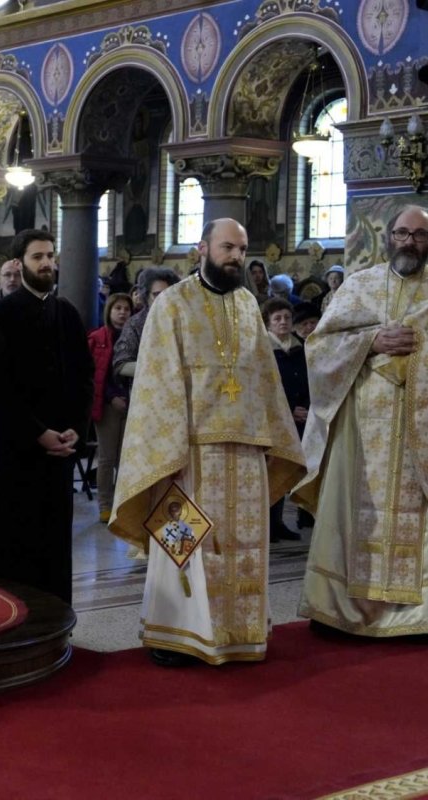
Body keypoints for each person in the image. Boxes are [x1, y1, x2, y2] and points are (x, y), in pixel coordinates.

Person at [109, 219, 305, 667]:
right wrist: (167, 450)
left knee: (240, 546)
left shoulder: (247, 305)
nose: (236, 256)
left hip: (246, 450)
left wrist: (274, 439)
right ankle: (176, 632)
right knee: (186, 543)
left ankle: (237, 631)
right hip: (191, 451)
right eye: (227, 247)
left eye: (242, 249)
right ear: (202, 248)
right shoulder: (172, 304)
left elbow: (266, 378)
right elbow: (157, 380)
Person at [294, 206, 428, 639]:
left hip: (420, 436)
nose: (409, 242)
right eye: (402, 233)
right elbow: (320, 347)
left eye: (419, 235)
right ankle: (339, 611)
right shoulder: (358, 286)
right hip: (360, 433)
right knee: (352, 514)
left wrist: (423, 345)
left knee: (416, 520)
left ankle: (417, 616)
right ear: (388, 236)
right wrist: (370, 340)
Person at [0, 229, 93, 604]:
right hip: (18, 452)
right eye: (37, 257)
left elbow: (84, 378)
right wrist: (37, 433)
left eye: (50, 256)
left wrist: (76, 428)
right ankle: (16, 621)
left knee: (55, 543)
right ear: (19, 263)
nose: (46, 263)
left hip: (60, 450)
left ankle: (57, 618)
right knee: (18, 545)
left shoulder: (67, 314)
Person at [263, 296, 309, 542]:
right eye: (277, 318)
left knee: (287, 467)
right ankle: (267, 524)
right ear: (268, 323)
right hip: (274, 418)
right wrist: (289, 410)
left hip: (299, 418)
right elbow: (265, 386)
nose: (283, 322)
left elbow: (309, 380)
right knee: (271, 469)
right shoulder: (262, 349)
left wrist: (305, 407)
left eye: (287, 318)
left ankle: (279, 521)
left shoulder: (300, 347)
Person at [89, 291, 133, 523]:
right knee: (106, 457)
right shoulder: (98, 337)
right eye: (118, 308)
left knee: (125, 458)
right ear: (109, 311)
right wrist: (111, 397)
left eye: (126, 309)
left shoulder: (134, 336)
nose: (122, 313)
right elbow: (96, 374)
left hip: (130, 402)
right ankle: (105, 505)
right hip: (107, 405)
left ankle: (123, 504)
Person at [110, 267, 178, 393]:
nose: (163, 299)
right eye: (156, 294)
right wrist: (160, 369)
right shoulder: (135, 323)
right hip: (146, 392)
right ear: (146, 296)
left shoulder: (182, 320)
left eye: (167, 294)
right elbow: (121, 364)